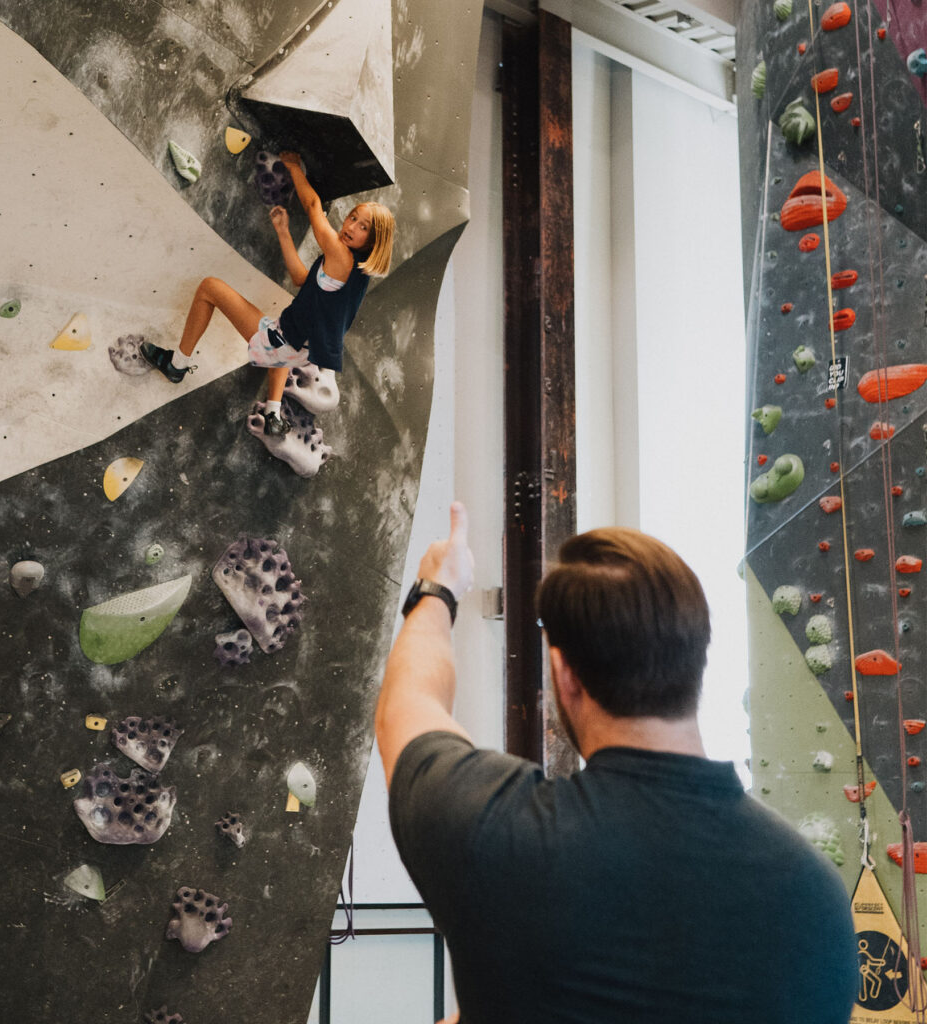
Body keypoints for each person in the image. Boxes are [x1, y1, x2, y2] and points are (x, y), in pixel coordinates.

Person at [376, 503, 859, 1024]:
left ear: (565, 673)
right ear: (696, 658)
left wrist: (438, 588)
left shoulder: (498, 836)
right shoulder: (818, 901)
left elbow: (409, 704)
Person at [141, 152, 394, 437]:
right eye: (352, 217)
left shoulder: (341, 256)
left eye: (363, 228)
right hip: (302, 350)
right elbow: (301, 279)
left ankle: (176, 364)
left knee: (209, 288)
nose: (350, 227)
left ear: (373, 241)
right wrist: (284, 232)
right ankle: (273, 413)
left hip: (284, 343)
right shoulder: (356, 273)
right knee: (282, 334)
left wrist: (293, 166)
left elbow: (312, 206)